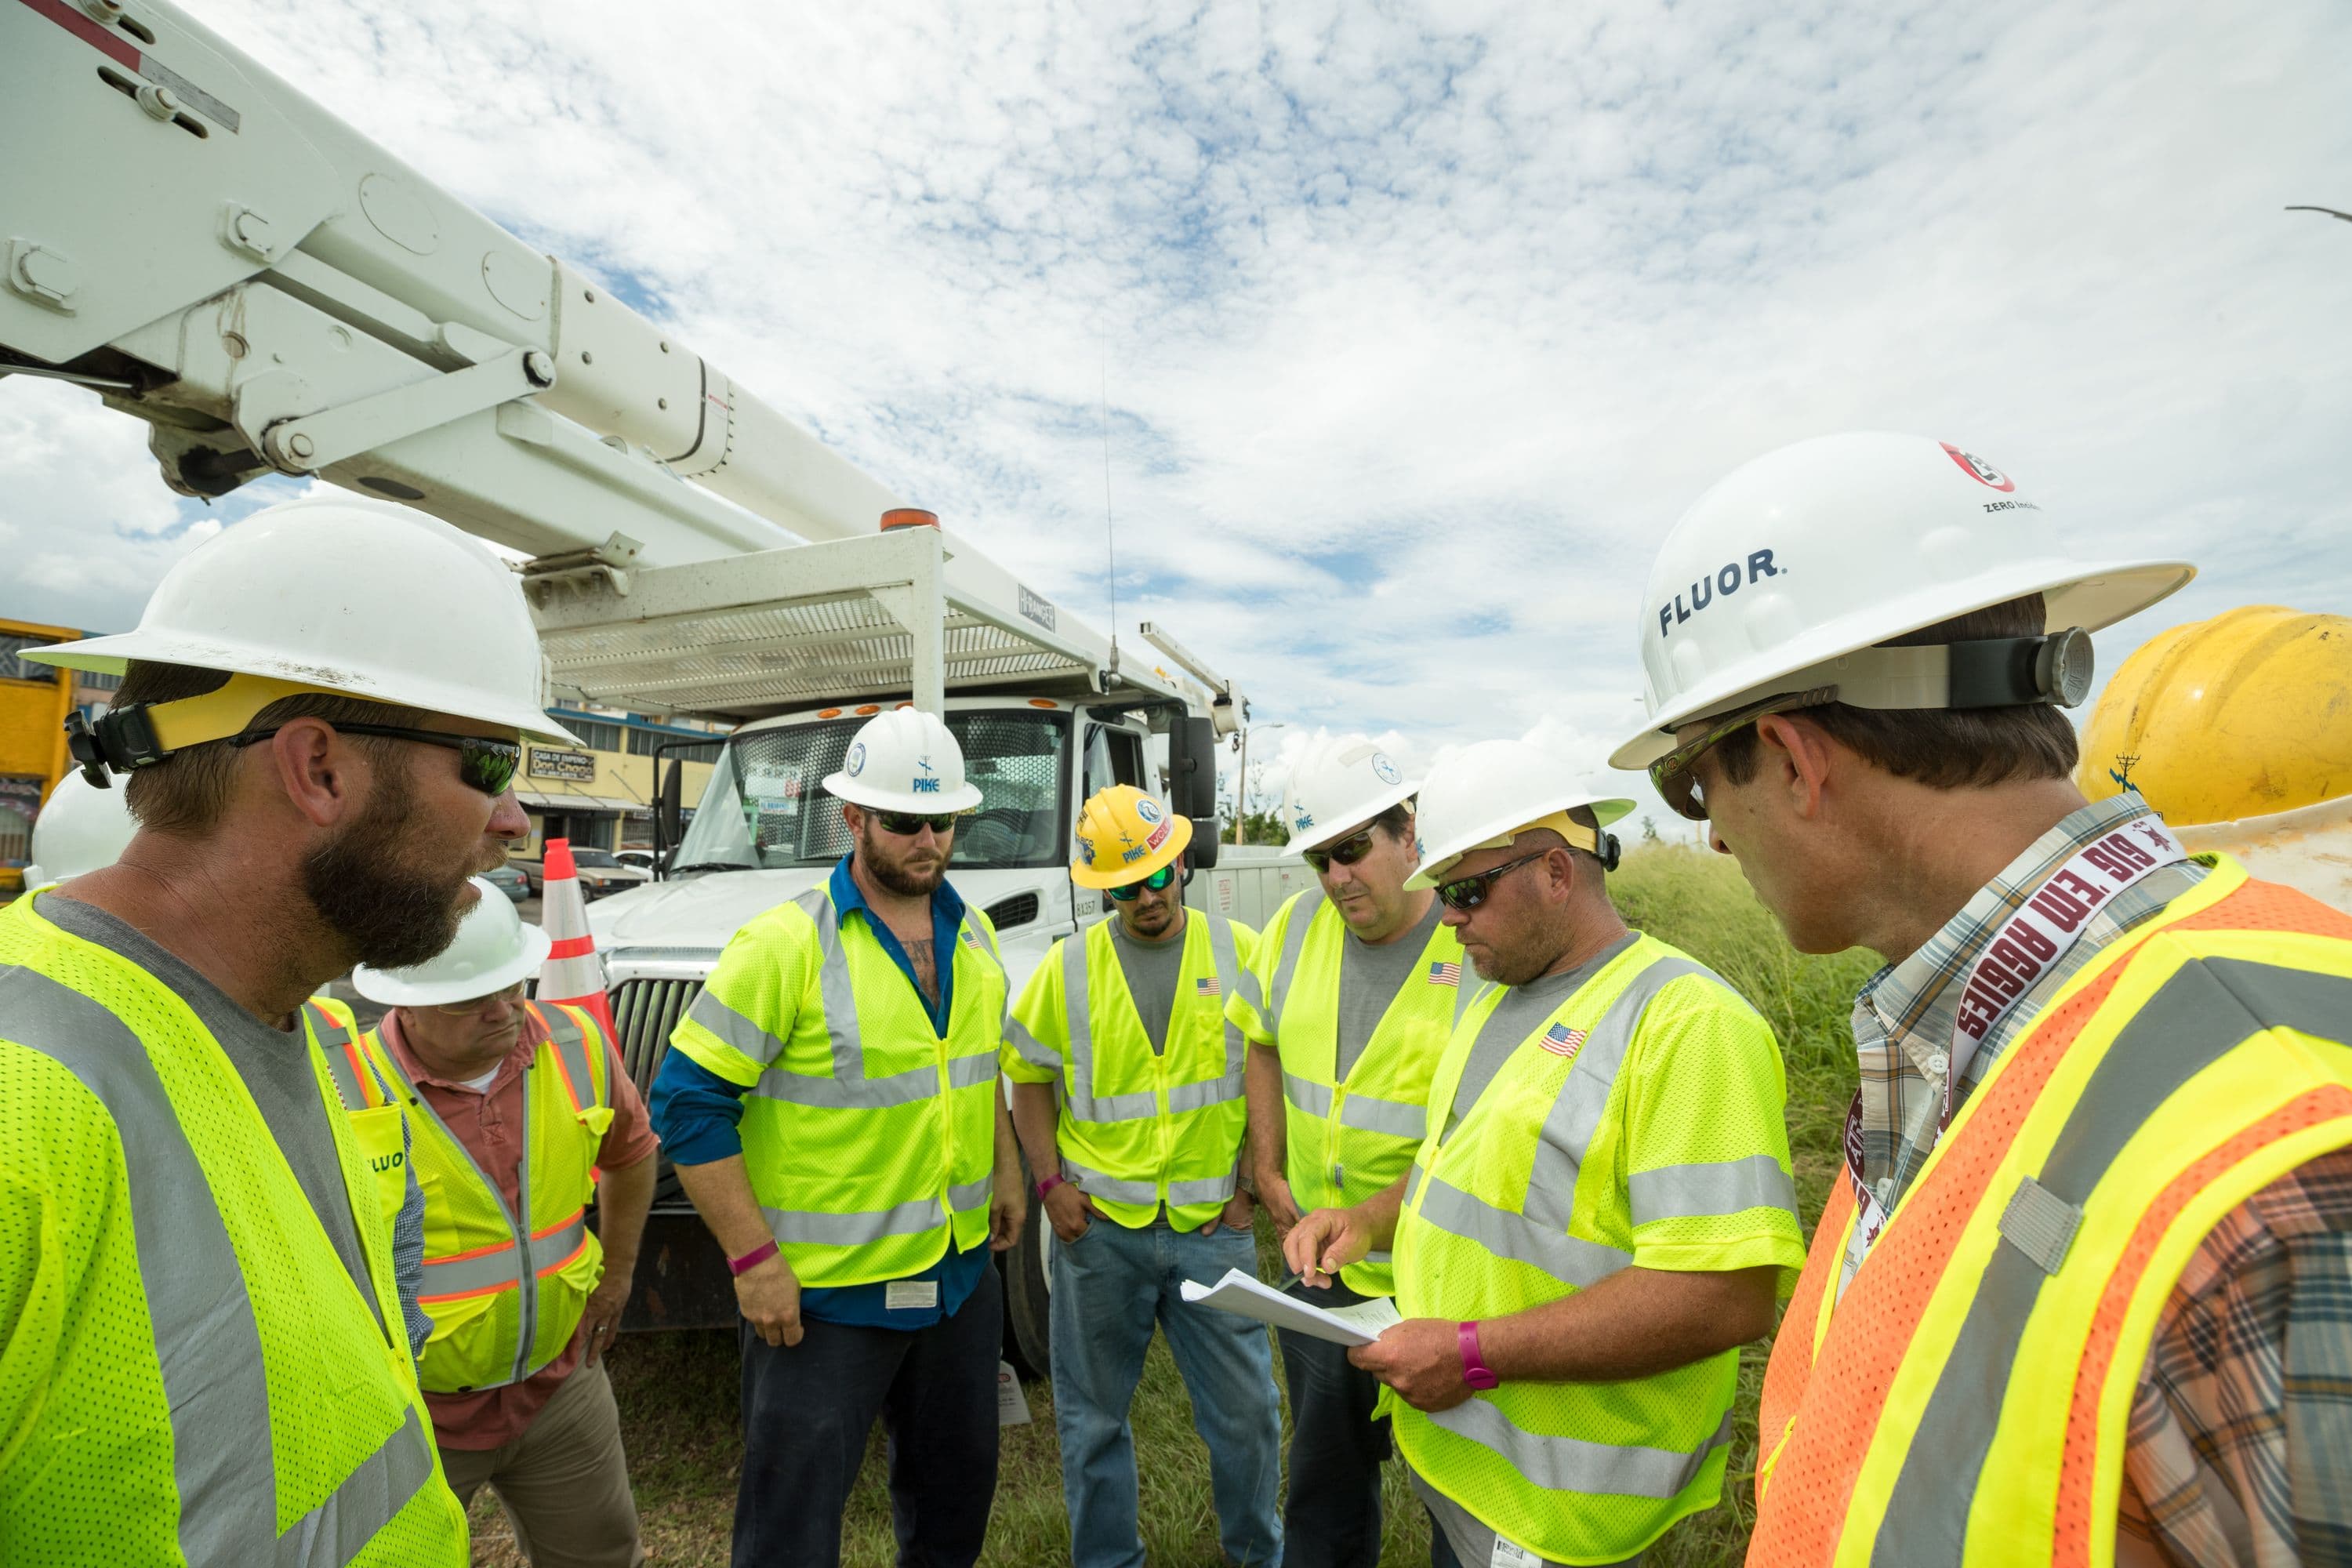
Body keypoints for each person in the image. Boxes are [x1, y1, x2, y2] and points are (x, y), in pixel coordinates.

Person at [1607, 431, 2352, 1567]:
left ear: (1792, 758)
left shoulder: (2288, 1162)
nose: (1706, 828)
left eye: (1693, 777)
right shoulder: (1968, 1032)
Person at [0, 495, 574, 1566]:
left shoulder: (302, 1035)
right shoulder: (20, 1100)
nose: (513, 819)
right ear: (318, 769)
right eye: (489, 763)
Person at [1286, 743, 1806, 1568]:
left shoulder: (1686, 1025)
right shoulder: (1492, 992)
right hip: (1465, 1471)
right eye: (1441, 890)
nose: (1447, 917)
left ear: (1557, 873)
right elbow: (1453, 1168)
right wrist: (1366, 1221)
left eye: (1466, 890)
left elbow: (1723, 1299)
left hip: (1564, 1513)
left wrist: (1467, 1353)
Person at [650, 707, 1026, 1568]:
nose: (928, 838)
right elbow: (689, 1100)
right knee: (791, 1528)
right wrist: (753, 1262)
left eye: (945, 820)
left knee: (953, 1506)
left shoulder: (974, 935)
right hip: (823, 1306)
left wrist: (1007, 1168)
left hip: (958, 1282)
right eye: (903, 820)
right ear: (852, 818)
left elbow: (974, 1068)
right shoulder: (785, 945)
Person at [1004, 784, 1281, 1568]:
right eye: (1125, 885)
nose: (1148, 895)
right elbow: (1026, 1072)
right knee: (1092, 1422)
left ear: (1182, 862)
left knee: (1249, 1415)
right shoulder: (1068, 968)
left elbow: (1272, 1068)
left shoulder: (1242, 951)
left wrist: (1252, 1184)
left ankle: (1257, 1555)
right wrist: (1051, 1183)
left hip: (1210, 1233)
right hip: (1102, 1238)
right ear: (1103, 889)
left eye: (1159, 874)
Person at [350, 880, 658, 1568]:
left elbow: (633, 1154)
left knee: (603, 1556)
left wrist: (620, 1274)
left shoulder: (574, 1044)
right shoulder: (346, 1090)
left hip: (560, 1389)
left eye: (513, 985)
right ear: (409, 1002)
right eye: (472, 998)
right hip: (414, 1416)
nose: (504, 1011)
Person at [1236, 735, 1468, 1567]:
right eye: (1319, 859)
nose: (1335, 878)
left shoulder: (1475, 934)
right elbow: (1259, 1039)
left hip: (1447, 1279)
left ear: (1410, 831)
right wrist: (1266, 1167)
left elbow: (1488, 1124)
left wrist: (1376, 1215)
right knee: (1326, 1487)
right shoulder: (1297, 926)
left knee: (1466, 1501)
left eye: (1352, 850)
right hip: (1321, 1282)